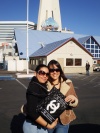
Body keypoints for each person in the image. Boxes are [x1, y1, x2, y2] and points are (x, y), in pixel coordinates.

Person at [22, 64, 58, 133]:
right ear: (35, 73)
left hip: (40, 124)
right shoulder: (34, 87)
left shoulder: (42, 86)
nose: (44, 76)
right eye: (42, 73)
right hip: (32, 126)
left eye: (47, 74)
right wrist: (48, 125)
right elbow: (32, 111)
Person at [47, 59, 78, 133]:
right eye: (52, 70)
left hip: (63, 120)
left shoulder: (68, 83)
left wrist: (73, 100)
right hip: (48, 120)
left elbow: (75, 101)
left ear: (60, 71)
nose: (55, 72)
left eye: (57, 70)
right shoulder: (45, 85)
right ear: (48, 71)